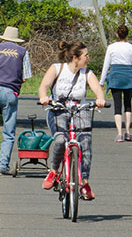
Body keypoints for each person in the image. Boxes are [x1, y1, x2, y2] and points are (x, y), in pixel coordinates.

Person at [38, 40, 107, 200]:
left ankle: (84, 182)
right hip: (58, 109)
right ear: (75, 58)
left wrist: (100, 99)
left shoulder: (87, 73)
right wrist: (43, 97)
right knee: (61, 140)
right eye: (86, 55)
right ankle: (54, 171)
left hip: (80, 109)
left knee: (85, 143)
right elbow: (44, 85)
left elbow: (97, 88)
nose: (88, 58)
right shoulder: (57, 68)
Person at [0, 26, 32, 176]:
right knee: (8, 131)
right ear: (16, 40)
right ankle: (3, 165)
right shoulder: (23, 52)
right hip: (10, 91)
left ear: (3, 37)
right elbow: (25, 76)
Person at [100, 24, 132, 142]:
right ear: (127, 35)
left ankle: (119, 133)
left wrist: (101, 81)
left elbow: (106, 65)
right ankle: (128, 132)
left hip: (115, 76)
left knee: (117, 105)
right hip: (128, 76)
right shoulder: (131, 48)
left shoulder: (111, 47)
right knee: (128, 104)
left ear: (117, 35)